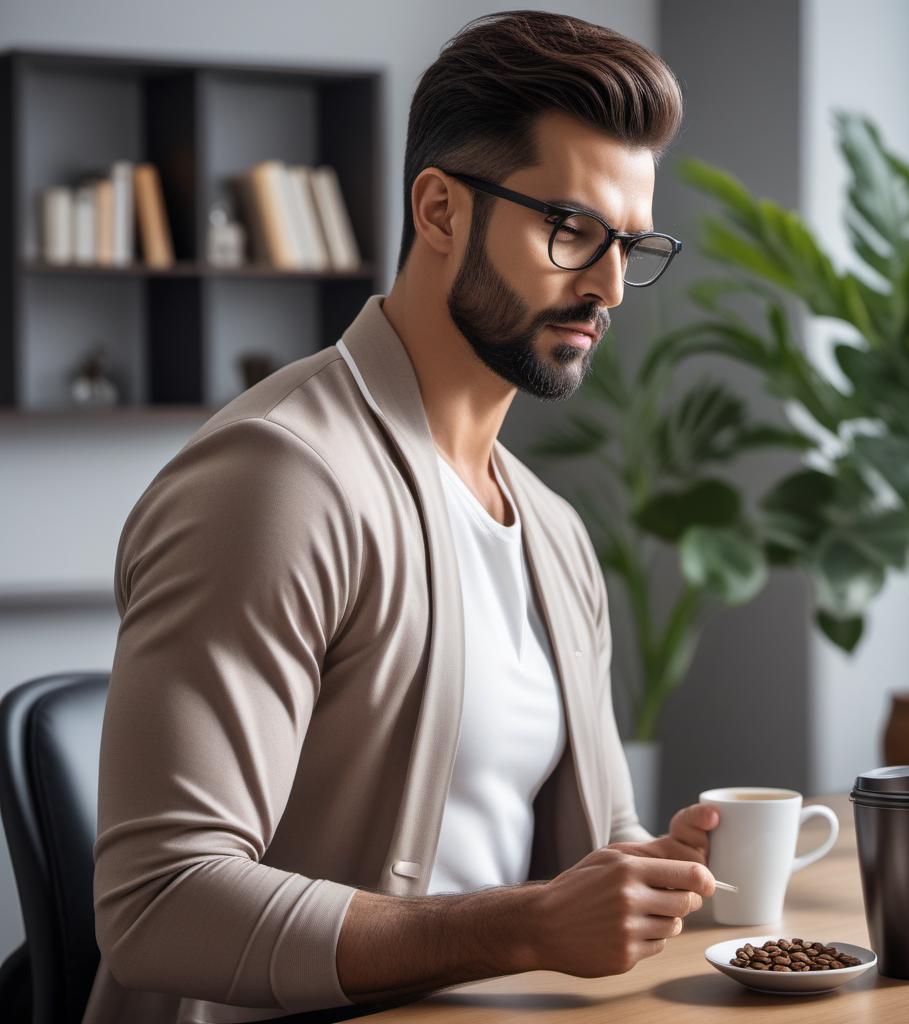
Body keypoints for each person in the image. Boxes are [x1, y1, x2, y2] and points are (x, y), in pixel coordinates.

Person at [83, 10, 720, 1024]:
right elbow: (159, 903)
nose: (606, 285)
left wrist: (654, 877)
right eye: (569, 229)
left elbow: (580, 856)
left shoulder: (551, 530)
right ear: (439, 211)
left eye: (630, 244)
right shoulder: (278, 482)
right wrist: (518, 926)